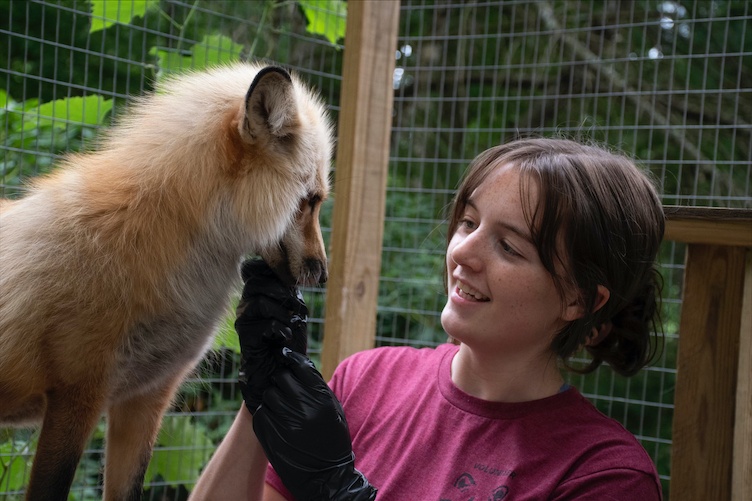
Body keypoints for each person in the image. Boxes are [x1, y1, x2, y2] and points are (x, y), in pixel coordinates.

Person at [190, 137, 666, 500]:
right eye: (468, 222)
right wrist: (265, 394)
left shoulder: (605, 475)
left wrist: (341, 492)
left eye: (509, 246)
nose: (463, 252)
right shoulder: (365, 380)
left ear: (579, 300)